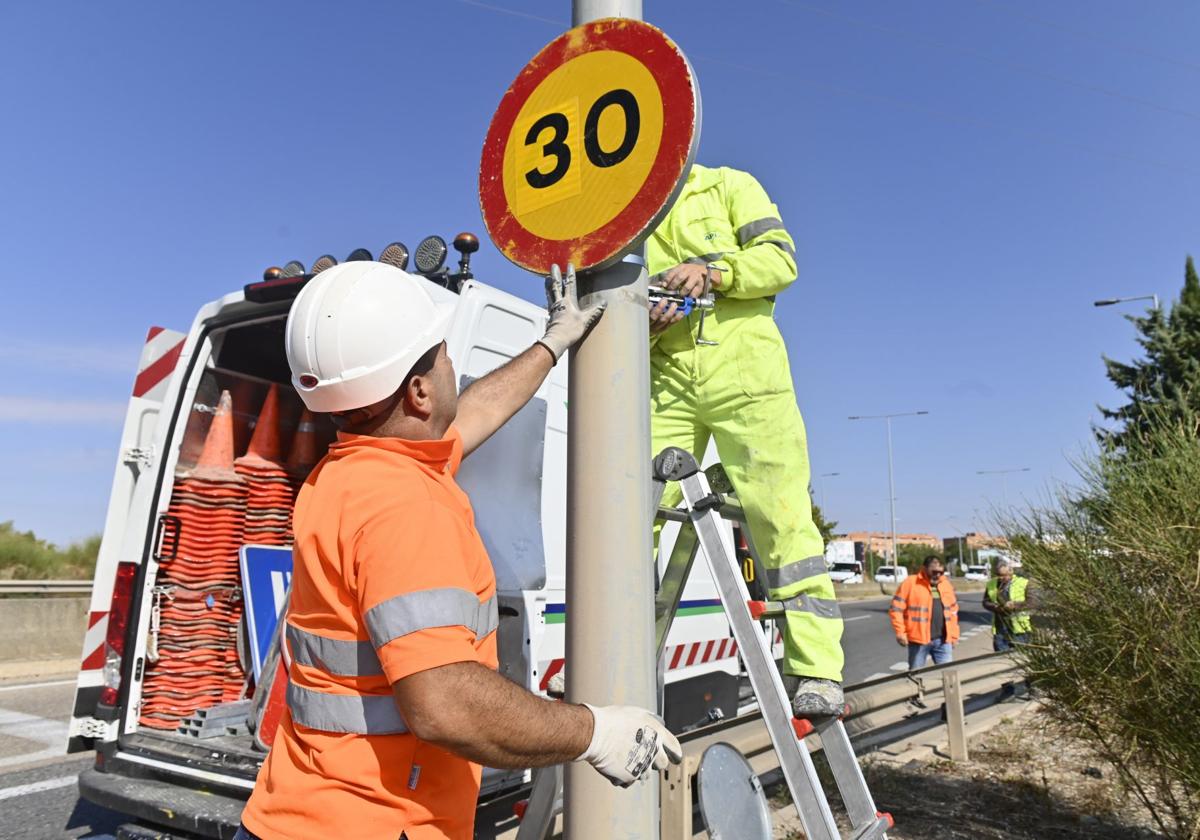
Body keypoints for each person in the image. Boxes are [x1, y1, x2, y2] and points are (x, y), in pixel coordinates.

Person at [238, 262, 681, 840]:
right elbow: (445, 704)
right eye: (443, 353)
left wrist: (551, 343)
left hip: (295, 816)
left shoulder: (349, 472)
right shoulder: (404, 507)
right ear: (419, 390)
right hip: (380, 825)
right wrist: (594, 732)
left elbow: (473, 413)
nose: (453, 366)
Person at [645, 164, 844, 717]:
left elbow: (780, 261)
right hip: (665, 374)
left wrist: (714, 272)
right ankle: (619, 656)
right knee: (632, 515)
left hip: (747, 372)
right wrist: (648, 319)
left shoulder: (728, 185)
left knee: (780, 517)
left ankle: (817, 668)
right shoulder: (630, 213)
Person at [889, 556, 960, 669]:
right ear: (924, 568)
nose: (937, 575)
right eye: (934, 571)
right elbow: (896, 609)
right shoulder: (911, 583)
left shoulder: (946, 585)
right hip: (918, 641)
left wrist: (954, 636)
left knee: (949, 675)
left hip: (943, 640)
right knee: (917, 676)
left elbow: (953, 612)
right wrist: (900, 632)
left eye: (940, 572)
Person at [982, 559, 1033, 651]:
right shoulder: (991, 584)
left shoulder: (1023, 583)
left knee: (1019, 657)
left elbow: (1032, 602)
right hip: (1000, 629)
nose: (1001, 578)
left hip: (1020, 629)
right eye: (998, 575)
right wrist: (996, 607)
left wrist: (1015, 605)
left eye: (1004, 575)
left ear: (1011, 571)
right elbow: (985, 602)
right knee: (1000, 658)